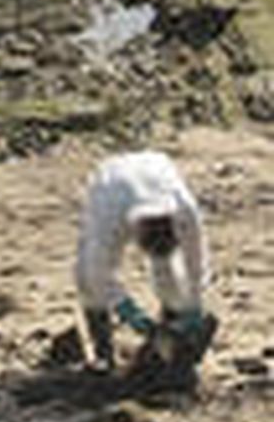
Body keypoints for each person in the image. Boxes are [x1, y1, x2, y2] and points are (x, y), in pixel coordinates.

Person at [75, 147, 212, 369]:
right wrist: (126, 309)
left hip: (156, 168)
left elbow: (196, 260)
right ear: (137, 231)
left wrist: (194, 304)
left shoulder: (185, 210)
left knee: (168, 269)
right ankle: (103, 349)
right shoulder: (108, 217)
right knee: (84, 277)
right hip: (112, 179)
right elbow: (97, 271)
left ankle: (170, 327)